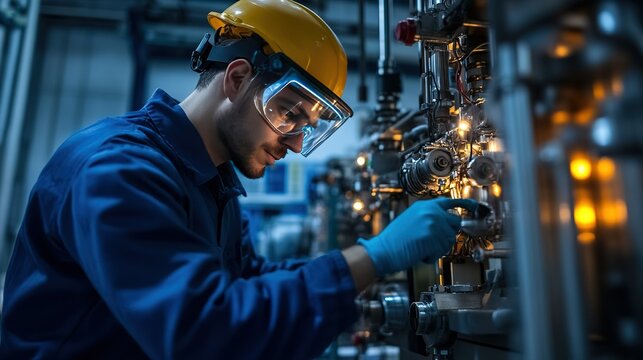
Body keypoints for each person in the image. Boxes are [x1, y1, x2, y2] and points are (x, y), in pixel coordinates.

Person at [0, 0, 477, 358]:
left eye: (307, 127)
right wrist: (375, 255)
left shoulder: (212, 183)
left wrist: (360, 269)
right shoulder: (120, 172)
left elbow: (247, 281)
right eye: (289, 114)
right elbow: (202, 329)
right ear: (236, 77)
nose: (293, 144)